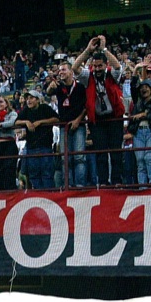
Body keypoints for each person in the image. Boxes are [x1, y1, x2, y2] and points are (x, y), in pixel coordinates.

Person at [72, 36, 127, 186]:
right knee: (100, 153)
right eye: (95, 66)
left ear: (105, 65)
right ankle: (103, 182)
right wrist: (87, 51)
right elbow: (75, 68)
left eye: (100, 66)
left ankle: (117, 181)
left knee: (116, 151)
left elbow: (118, 67)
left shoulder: (111, 74)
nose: (97, 69)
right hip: (97, 119)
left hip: (114, 117)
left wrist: (104, 49)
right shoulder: (88, 76)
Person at [47, 61, 88, 188]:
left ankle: (80, 185)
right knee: (65, 158)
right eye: (59, 70)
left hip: (78, 125)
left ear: (71, 72)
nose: (61, 72)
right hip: (63, 126)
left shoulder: (80, 87)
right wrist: (51, 87)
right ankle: (68, 185)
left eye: (63, 70)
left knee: (79, 157)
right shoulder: (59, 87)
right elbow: (48, 92)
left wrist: (78, 120)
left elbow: (86, 106)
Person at [18, 90, 59, 191]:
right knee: (34, 176)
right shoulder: (26, 110)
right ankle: (39, 196)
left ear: (37, 100)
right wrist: (26, 122)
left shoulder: (45, 108)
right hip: (31, 147)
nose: (28, 101)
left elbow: (57, 119)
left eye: (31, 98)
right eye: (27, 99)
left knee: (47, 175)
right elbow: (16, 122)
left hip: (45, 147)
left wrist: (40, 122)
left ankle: (49, 196)